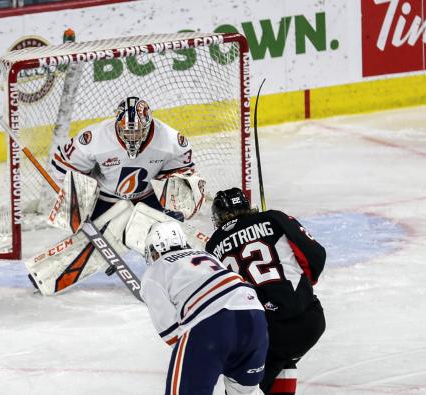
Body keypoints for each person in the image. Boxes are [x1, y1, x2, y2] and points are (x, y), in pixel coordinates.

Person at [205, 188, 326, 395]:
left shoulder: (212, 246)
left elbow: (217, 299)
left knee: (242, 387)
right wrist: (299, 291)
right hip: (310, 321)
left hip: (265, 332)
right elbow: (316, 255)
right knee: (282, 359)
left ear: (217, 218)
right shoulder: (274, 218)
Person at [141, 221, 268, 395]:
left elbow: (171, 332)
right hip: (255, 315)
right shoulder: (208, 256)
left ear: (156, 249)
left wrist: (206, 358)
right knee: (246, 391)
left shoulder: (155, 271)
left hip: (212, 322)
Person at [51, 96, 201, 220]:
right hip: (105, 200)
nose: (132, 136)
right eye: (127, 131)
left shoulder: (170, 140)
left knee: (183, 184)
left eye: (137, 131)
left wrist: (175, 203)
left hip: (149, 198)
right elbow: (63, 165)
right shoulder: (95, 138)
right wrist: (78, 199)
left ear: (148, 125)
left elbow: (183, 171)